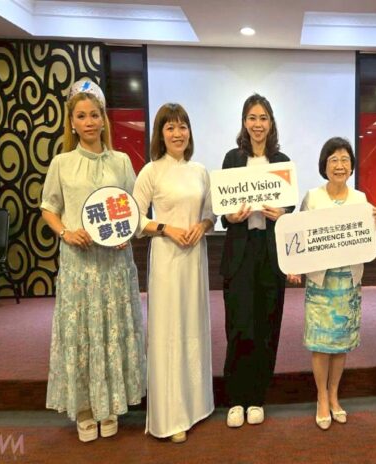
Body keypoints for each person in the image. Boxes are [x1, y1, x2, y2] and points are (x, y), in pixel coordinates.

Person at [42, 80, 146, 442]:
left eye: (94, 115)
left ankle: (111, 405)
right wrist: (65, 232)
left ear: (104, 119)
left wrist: (126, 231)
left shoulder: (121, 161)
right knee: (83, 334)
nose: (89, 122)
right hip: (79, 265)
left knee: (112, 330)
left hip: (115, 265)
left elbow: (134, 207)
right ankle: (85, 409)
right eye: (81, 116)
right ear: (72, 123)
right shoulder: (62, 163)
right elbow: (49, 207)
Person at [287, 137, 376, 430]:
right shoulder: (313, 197)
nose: (339, 166)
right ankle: (321, 396)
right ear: (324, 165)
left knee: (341, 343)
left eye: (344, 160)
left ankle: (334, 394)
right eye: (333, 160)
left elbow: (370, 236)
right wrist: (295, 266)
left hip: (348, 282)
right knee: (320, 343)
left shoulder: (360, 200)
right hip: (321, 282)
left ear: (351, 166)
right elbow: (298, 235)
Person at [132, 103, 215, 443]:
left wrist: (202, 225)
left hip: (195, 258)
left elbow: (210, 213)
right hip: (167, 259)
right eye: (170, 128)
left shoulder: (200, 171)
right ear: (161, 134)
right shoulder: (151, 171)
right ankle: (170, 416)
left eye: (183, 127)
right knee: (168, 331)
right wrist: (166, 228)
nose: (178, 133)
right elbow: (135, 219)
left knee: (193, 326)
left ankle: (196, 405)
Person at [220, 94, 293, 428]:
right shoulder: (232, 159)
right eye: (252, 117)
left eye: (263, 118)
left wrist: (282, 214)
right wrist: (230, 217)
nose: (258, 124)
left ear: (271, 122)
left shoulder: (281, 161)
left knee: (267, 324)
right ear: (244, 122)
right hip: (240, 250)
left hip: (270, 251)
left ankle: (257, 397)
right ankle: (236, 398)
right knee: (239, 324)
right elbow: (223, 209)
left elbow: (290, 209)